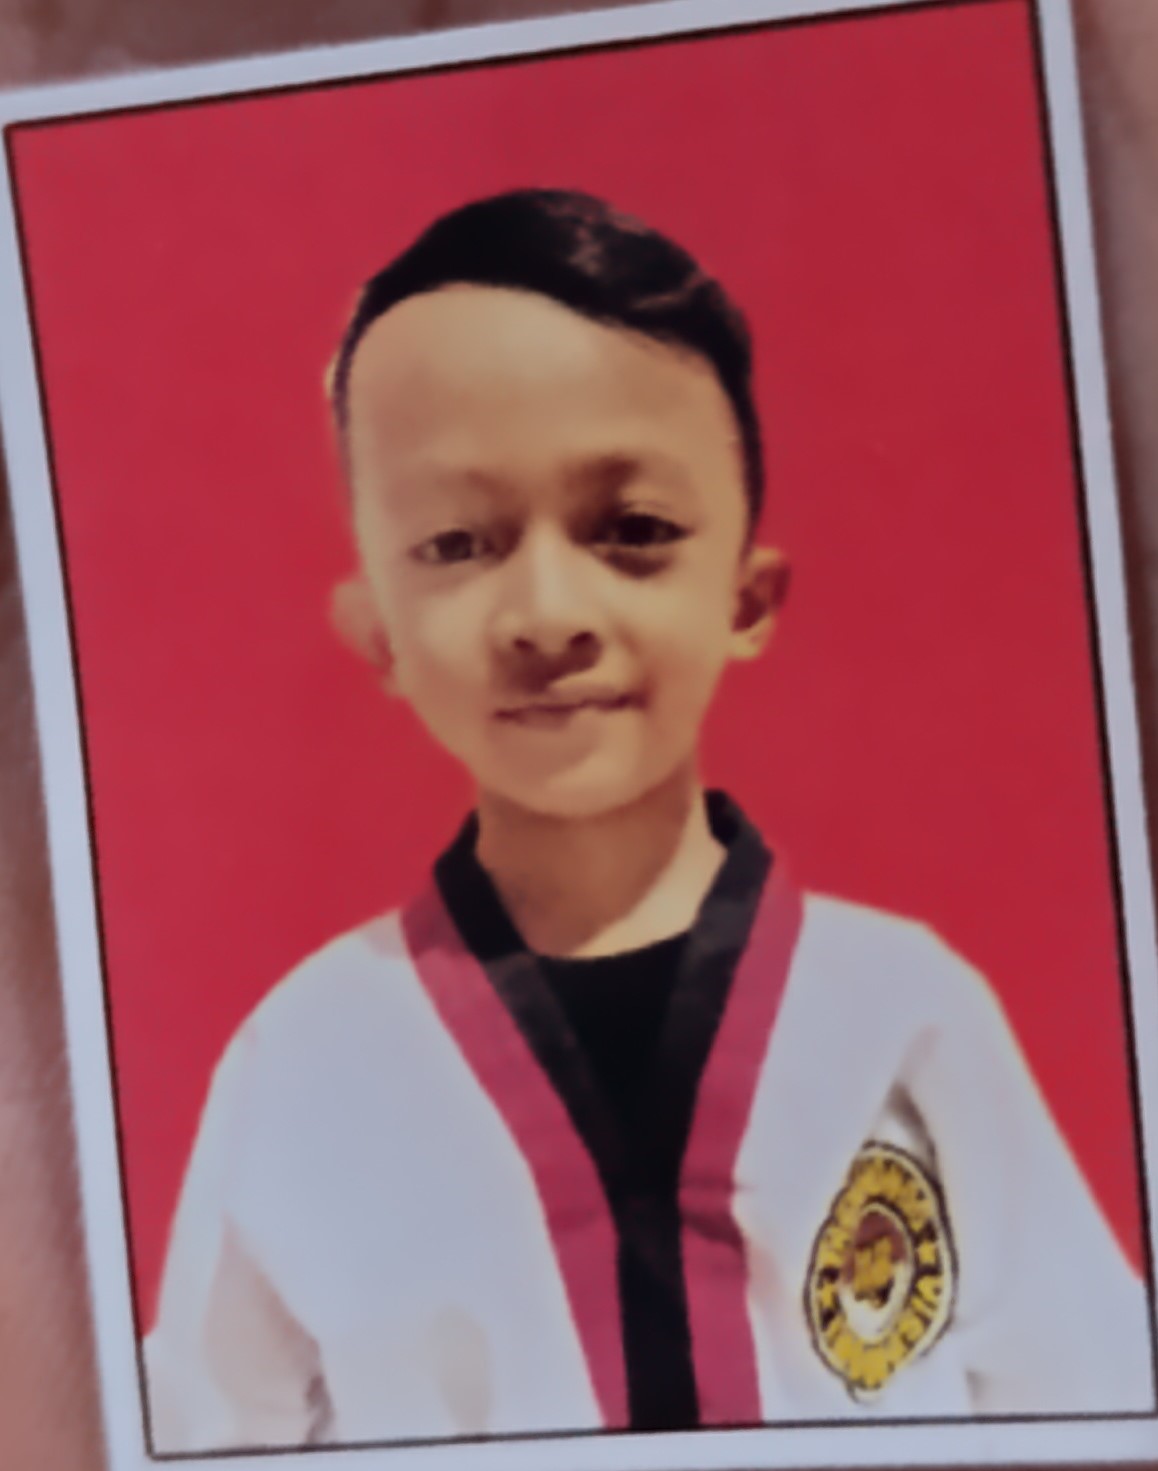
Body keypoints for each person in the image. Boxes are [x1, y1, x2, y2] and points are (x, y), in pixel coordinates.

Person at [139, 187, 1153, 1454]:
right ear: (378, 630)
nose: (547, 613)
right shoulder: (302, 1061)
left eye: (633, 531)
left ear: (746, 597)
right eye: (456, 542)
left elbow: (1090, 1396)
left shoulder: (904, 1012)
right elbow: (206, 1432)